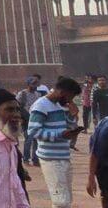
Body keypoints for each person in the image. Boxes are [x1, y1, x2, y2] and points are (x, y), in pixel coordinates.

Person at [26, 76, 83, 208]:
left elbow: (68, 127)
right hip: (51, 158)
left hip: (63, 155)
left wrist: (72, 115)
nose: (71, 100)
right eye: (71, 96)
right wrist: (59, 134)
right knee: (61, 201)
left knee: (65, 199)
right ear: (62, 92)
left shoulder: (60, 105)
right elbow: (33, 131)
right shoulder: (41, 105)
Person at [14, 76, 41, 166]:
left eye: (36, 84)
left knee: (36, 140)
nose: (35, 86)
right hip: (26, 120)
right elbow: (17, 107)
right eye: (33, 84)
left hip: (36, 120)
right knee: (28, 140)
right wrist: (20, 118)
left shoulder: (38, 94)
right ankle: (26, 159)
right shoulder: (22, 94)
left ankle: (35, 159)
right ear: (28, 84)